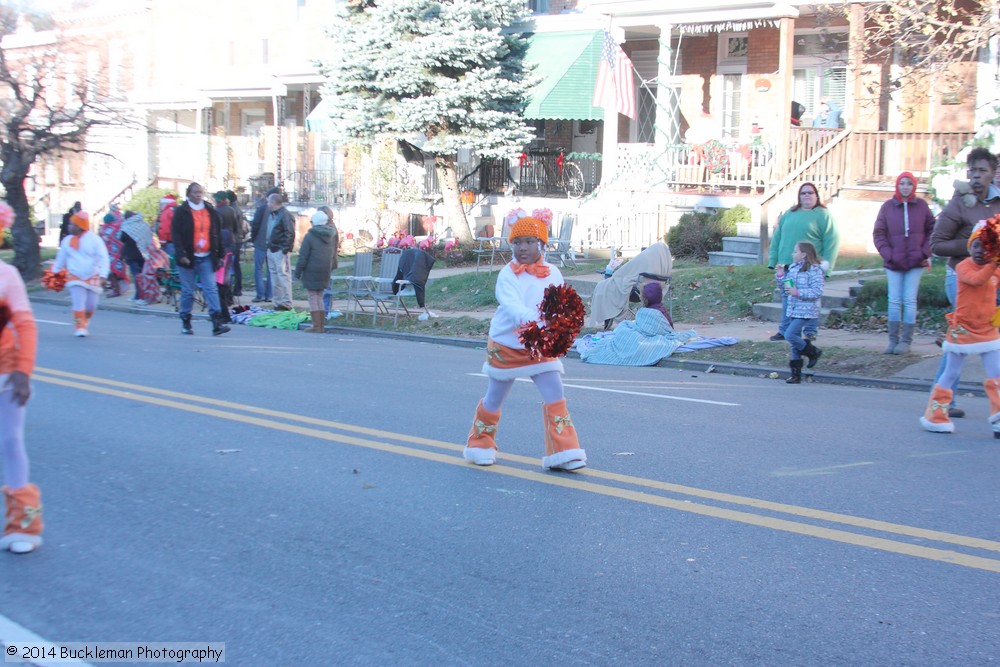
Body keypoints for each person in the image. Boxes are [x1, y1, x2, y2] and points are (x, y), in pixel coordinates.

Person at [462, 215, 586, 471]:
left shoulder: (553, 272)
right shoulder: (507, 275)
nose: (523, 248)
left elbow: (560, 303)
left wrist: (561, 324)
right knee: (495, 397)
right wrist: (540, 322)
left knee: (555, 394)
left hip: (540, 345)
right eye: (517, 242)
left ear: (541, 244)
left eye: (530, 241)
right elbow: (513, 306)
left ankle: (565, 451)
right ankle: (479, 445)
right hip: (507, 344)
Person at [929, 147, 1000, 418]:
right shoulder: (959, 203)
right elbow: (937, 244)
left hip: (991, 282)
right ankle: (941, 403)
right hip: (961, 280)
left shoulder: (997, 203)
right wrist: (972, 245)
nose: (976, 176)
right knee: (959, 341)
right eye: (972, 171)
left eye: (982, 171)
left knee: (992, 340)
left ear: (992, 174)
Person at [920, 224, 1000, 436]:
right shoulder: (964, 267)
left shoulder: (994, 268)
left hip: (987, 329)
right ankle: (935, 417)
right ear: (969, 247)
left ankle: (998, 418)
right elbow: (978, 280)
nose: (980, 251)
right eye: (976, 246)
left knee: (997, 373)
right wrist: (995, 262)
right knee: (951, 372)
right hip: (962, 330)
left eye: (986, 247)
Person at [0, 246, 44, 553]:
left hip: (5, 373)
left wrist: (23, 371)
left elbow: (25, 325)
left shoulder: (7, 275)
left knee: (11, 441)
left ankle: (23, 526)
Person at [872, 172, 936, 354]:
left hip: (916, 262)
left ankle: (906, 341)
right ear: (897, 186)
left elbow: (933, 230)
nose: (905, 187)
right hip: (894, 262)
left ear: (914, 186)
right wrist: (888, 254)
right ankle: (893, 340)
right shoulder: (887, 207)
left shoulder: (922, 206)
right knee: (893, 300)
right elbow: (879, 233)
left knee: (909, 300)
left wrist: (924, 251)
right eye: (902, 183)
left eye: (909, 183)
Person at [767, 182, 840, 342]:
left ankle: (810, 331)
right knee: (788, 297)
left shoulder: (823, 215)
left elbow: (832, 241)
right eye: (803, 193)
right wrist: (773, 260)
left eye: (810, 193)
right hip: (788, 265)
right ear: (799, 197)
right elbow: (777, 237)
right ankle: (785, 330)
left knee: (810, 299)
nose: (806, 195)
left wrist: (827, 267)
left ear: (816, 196)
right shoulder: (790, 213)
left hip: (809, 266)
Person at [580, 281, 696, 367]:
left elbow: (644, 329)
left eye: (641, 295)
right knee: (625, 328)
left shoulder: (647, 312)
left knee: (624, 332)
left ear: (645, 298)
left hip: (646, 335)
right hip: (650, 333)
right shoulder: (661, 309)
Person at [170, 182, 231, 336]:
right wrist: (181, 254)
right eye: (195, 192)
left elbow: (216, 233)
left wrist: (220, 254)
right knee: (188, 292)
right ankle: (186, 321)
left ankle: (216, 322)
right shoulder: (181, 211)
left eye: (200, 192)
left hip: (206, 256)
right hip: (188, 258)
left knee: (211, 288)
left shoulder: (209, 210)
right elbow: (176, 235)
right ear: (189, 194)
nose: (198, 194)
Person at [51, 211, 110, 337]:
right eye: (70, 224)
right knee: (78, 302)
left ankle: (85, 320)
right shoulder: (67, 241)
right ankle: (80, 327)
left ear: (81, 226)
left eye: (72, 224)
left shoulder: (94, 240)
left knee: (91, 305)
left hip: (93, 277)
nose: (69, 226)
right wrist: (54, 273)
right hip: (74, 276)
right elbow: (61, 258)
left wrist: (103, 275)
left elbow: (104, 257)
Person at [781, 242, 825, 384]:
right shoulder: (793, 268)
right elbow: (786, 288)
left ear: (804, 254)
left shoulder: (814, 270)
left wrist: (798, 293)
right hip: (793, 308)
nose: (792, 254)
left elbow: (817, 292)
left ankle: (813, 352)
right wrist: (780, 275)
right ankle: (795, 374)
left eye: (795, 251)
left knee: (789, 335)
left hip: (806, 310)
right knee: (794, 342)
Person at [294, 210, 338, 332]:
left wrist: (297, 272)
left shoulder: (310, 237)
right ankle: (321, 325)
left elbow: (303, 256)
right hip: (325, 270)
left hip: (311, 270)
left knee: (313, 296)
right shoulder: (331, 236)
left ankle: (316, 325)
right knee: (320, 296)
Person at [262, 192, 296, 311]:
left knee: (283, 275)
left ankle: (287, 301)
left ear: (274, 202)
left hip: (280, 250)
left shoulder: (285, 215)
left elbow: (289, 232)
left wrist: (285, 249)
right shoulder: (272, 215)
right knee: (274, 276)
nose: (267, 204)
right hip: (271, 248)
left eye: (268, 202)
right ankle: (277, 301)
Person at [249, 186, 281, 303]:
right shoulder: (280, 211)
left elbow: (255, 225)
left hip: (261, 242)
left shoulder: (262, 209)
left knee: (258, 269)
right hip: (272, 244)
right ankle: (269, 295)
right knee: (270, 270)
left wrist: (253, 238)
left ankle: (260, 294)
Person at [317, 205, 341, 317]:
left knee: (325, 287)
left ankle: (325, 311)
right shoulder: (326, 228)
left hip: (326, 261)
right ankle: (323, 310)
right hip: (325, 260)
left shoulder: (329, 229)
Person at [119, 212, 147, 303]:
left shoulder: (127, 226)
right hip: (143, 252)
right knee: (143, 275)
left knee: (136, 275)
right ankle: (145, 294)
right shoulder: (142, 224)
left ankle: (138, 296)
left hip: (131, 254)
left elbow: (122, 238)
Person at [225, 189, 245, 296]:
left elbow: (234, 227)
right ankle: (238, 287)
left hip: (234, 240)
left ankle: (236, 288)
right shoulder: (237, 209)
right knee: (236, 265)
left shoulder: (232, 210)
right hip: (238, 239)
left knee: (232, 265)